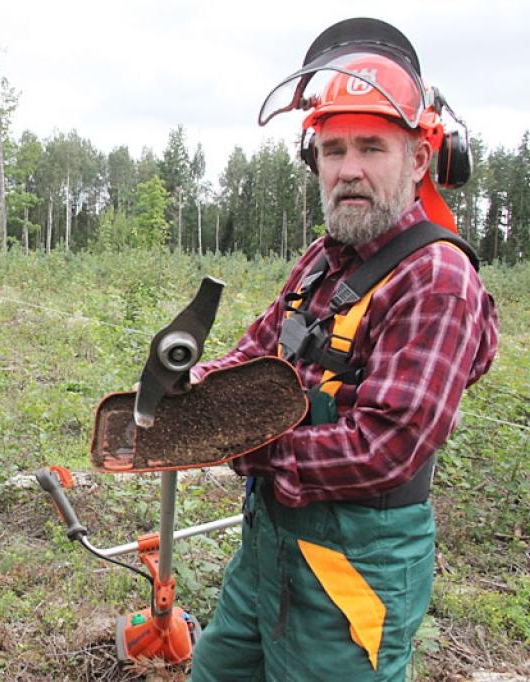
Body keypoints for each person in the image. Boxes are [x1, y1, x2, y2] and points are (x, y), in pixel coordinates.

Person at [187, 19, 498, 680]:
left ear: (419, 161)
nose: (348, 169)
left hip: (354, 568)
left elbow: (383, 447)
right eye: (333, 150)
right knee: (216, 670)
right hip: (269, 548)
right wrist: (193, 390)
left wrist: (246, 445)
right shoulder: (321, 262)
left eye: (371, 147)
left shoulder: (437, 280)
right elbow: (260, 352)